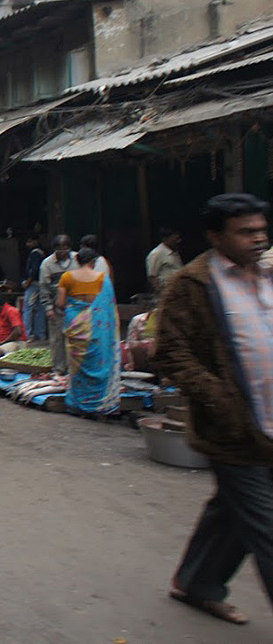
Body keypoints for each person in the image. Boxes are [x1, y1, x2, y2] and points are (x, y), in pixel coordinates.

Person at [157, 193, 273, 626]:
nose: (258, 240)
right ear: (215, 236)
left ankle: (199, 582)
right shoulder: (193, 284)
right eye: (246, 233)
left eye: (261, 230)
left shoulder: (268, 274)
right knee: (265, 526)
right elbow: (169, 351)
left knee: (233, 512)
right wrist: (218, 397)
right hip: (232, 429)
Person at [54, 248, 121, 416]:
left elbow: (60, 303)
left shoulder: (67, 277)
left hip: (75, 324)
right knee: (97, 359)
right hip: (97, 326)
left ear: (77, 259)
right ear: (94, 262)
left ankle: (77, 402)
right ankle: (98, 401)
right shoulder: (102, 279)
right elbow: (109, 307)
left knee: (77, 363)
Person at [39, 235, 77, 373]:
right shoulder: (47, 264)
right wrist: (48, 308)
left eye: (65, 249)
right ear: (54, 249)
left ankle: (73, 367)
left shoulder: (77, 260)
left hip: (76, 307)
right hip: (57, 308)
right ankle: (59, 368)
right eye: (59, 249)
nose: (62, 252)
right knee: (57, 340)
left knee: (75, 338)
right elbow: (44, 288)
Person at [21, 234, 47, 342]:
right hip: (40, 284)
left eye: (29, 242)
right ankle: (41, 334)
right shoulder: (41, 253)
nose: (28, 244)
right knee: (40, 309)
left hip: (34, 284)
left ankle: (26, 334)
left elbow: (34, 270)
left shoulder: (35, 254)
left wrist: (28, 281)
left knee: (28, 308)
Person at [146, 227, 184, 293]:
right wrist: (161, 293)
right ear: (165, 239)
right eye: (175, 239)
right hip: (166, 293)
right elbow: (152, 277)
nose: (178, 241)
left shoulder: (175, 252)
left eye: (179, 238)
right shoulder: (156, 253)